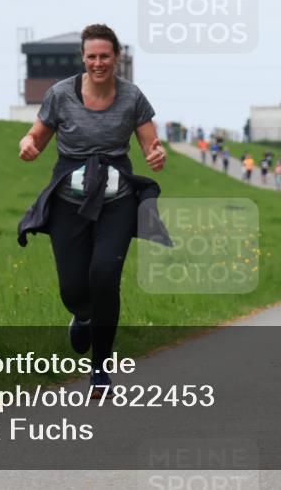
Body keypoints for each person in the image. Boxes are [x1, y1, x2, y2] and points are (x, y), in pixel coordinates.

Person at [16, 24, 171, 397]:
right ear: (83, 58)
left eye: (105, 56)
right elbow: (36, 136)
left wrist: (156, 154)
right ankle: (82, 316)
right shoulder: (60, 95)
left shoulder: (132, 97)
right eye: (92, 57)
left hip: (117, 201)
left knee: (104, 276)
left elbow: (151, 144)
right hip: (69, 202)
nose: (98, 63)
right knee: (72, 288)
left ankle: (100, 368)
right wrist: (28, 144)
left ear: (116, 57)